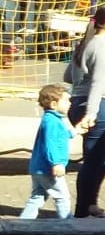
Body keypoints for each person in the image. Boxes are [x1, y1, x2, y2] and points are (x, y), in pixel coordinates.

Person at [65, 3, 105, 218]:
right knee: (94, 159)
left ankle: (89, 203)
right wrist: (91, 113)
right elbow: (98, 82)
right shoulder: (103, 47)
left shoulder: (86, 44)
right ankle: (84, 208)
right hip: (99, 107)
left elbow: (68, 76)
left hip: (78, 101)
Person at [19, 83, 77, 219]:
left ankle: (24, 223)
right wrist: (57, 163)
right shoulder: (52, 122)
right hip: (48, 169)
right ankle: (68, 224)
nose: (70, 104)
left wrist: (76, 131)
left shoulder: (51, 119)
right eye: (66, 100)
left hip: (38, 168)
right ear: (54, 104)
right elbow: (51, 144)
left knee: (37, 197)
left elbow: (61, 135)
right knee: (62, 197)